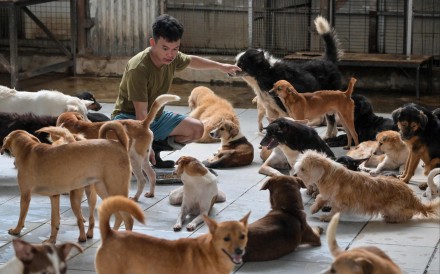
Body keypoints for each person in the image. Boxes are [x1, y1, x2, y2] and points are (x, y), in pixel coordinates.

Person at [111, 14, 240, 168]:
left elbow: (192, 60)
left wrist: (221, 66)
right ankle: (138, 152)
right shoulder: (138, 68)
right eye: (165, 48)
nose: (170, 54)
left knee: (197, 129)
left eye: (175, 49)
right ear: (153, 43)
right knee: (131, 151)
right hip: (129, 119)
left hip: (156, 117)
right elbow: (141, 113)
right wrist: (145, 144)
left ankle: (156, 149)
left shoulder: (172, 58)